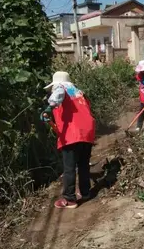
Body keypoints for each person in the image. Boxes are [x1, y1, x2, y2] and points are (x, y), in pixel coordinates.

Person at [41, 71, 96, 209]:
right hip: (87, 132)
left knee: (69, 168)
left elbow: (56, 97)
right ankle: (85, 192)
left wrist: (47, 110)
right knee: (83, 164)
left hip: (72, 134)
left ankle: (69, 199)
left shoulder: (61, 88)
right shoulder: (79, 92)